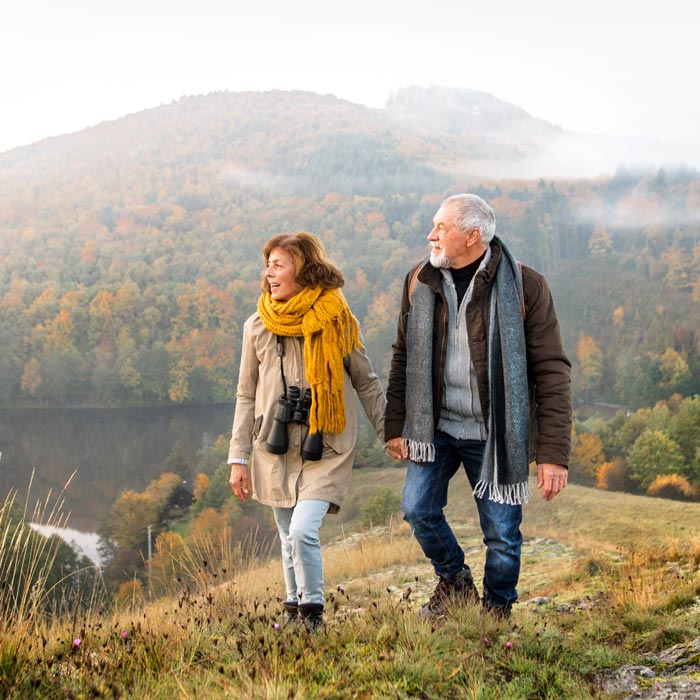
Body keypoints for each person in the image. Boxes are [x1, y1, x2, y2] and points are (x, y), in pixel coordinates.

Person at [384, 193, 571, 619]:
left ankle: (496, 613)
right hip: (437, 427)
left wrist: (553, 455)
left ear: (472, 237)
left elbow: (552, 372)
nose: (431, 235)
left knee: (502, 535)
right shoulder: (419, 280)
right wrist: (395, 425)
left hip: (495, 433)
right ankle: (455, 580)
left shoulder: (526, 287)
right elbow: (402, 356)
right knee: (418, 509)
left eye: (441, 228)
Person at [228, 231, 385, 631]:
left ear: (303, 270)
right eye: (268, 265)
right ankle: (293, 610)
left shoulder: (337, 321)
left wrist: (390, 433)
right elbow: (246, 395)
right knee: (286, 535)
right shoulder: (257, 326)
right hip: (273, 447)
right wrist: (238, 457)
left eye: (278, 265)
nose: (268, 273)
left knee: (301, 531)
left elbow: (366, 382)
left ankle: (312, 616)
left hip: (326, 445)